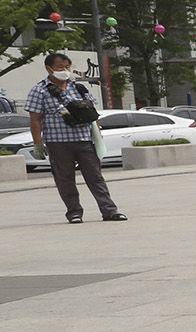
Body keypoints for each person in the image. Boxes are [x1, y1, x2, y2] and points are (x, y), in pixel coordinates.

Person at [25, 51, 123, 224]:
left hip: (84, 140)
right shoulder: (39, 90)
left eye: (67, 66)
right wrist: (38, 144)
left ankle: (109, 210)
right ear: (49, 69)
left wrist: (98, 136)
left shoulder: (79, 87)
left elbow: (93, 115)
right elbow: (35, 119)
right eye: (60, 67)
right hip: (58, 142)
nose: (65, 70)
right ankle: (74, 212)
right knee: (65, 179)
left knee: (95, 177)